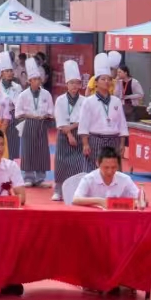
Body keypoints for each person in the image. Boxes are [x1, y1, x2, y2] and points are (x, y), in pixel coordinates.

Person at [78, 53, 129, 167]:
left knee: (113, 171)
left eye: (109, 79)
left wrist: (122, 143)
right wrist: (85, 143)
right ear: (96, 82)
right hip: (95, 139)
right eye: (103, 79)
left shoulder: (116, 101)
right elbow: (83, 124)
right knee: (94, 171)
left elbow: (122, 124)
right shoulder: (89, 101)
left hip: (113, 139)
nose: (106, 81)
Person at [52, 60, 91, 201]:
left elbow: (85, 119)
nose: (74, 86)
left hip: (80, 133)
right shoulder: (60, 100)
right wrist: (68, 133)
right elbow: (60, 119)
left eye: (77, 83)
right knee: (61, 161)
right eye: (71, 83)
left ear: (80, 85)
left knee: (78, 163)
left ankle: (77, 190)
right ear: (67, 84)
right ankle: (58, 190)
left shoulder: (85, 100)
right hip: (64, 134)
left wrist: (72, 128)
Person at [15, 59, 54, 187]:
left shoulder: (46, 94)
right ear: (29, 81)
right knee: (28, 150)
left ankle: (41, 178)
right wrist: (30, 115)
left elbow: (51, 110)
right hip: (29, 124)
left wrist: (46, 115)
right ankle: (28, 177)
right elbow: (18, 112)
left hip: (42, 124)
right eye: (35, 79)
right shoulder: (23, 95)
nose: (38, 81)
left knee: (42, 151)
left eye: (39, 78)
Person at [72, 147, 141, 207]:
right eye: (106, 167)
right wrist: (100, 201)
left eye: (114, 167)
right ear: (97, 163)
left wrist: (140, 199)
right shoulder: (88, 179)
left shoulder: (125, 179)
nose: (110, 171)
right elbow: (76, 200)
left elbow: (141, 199)